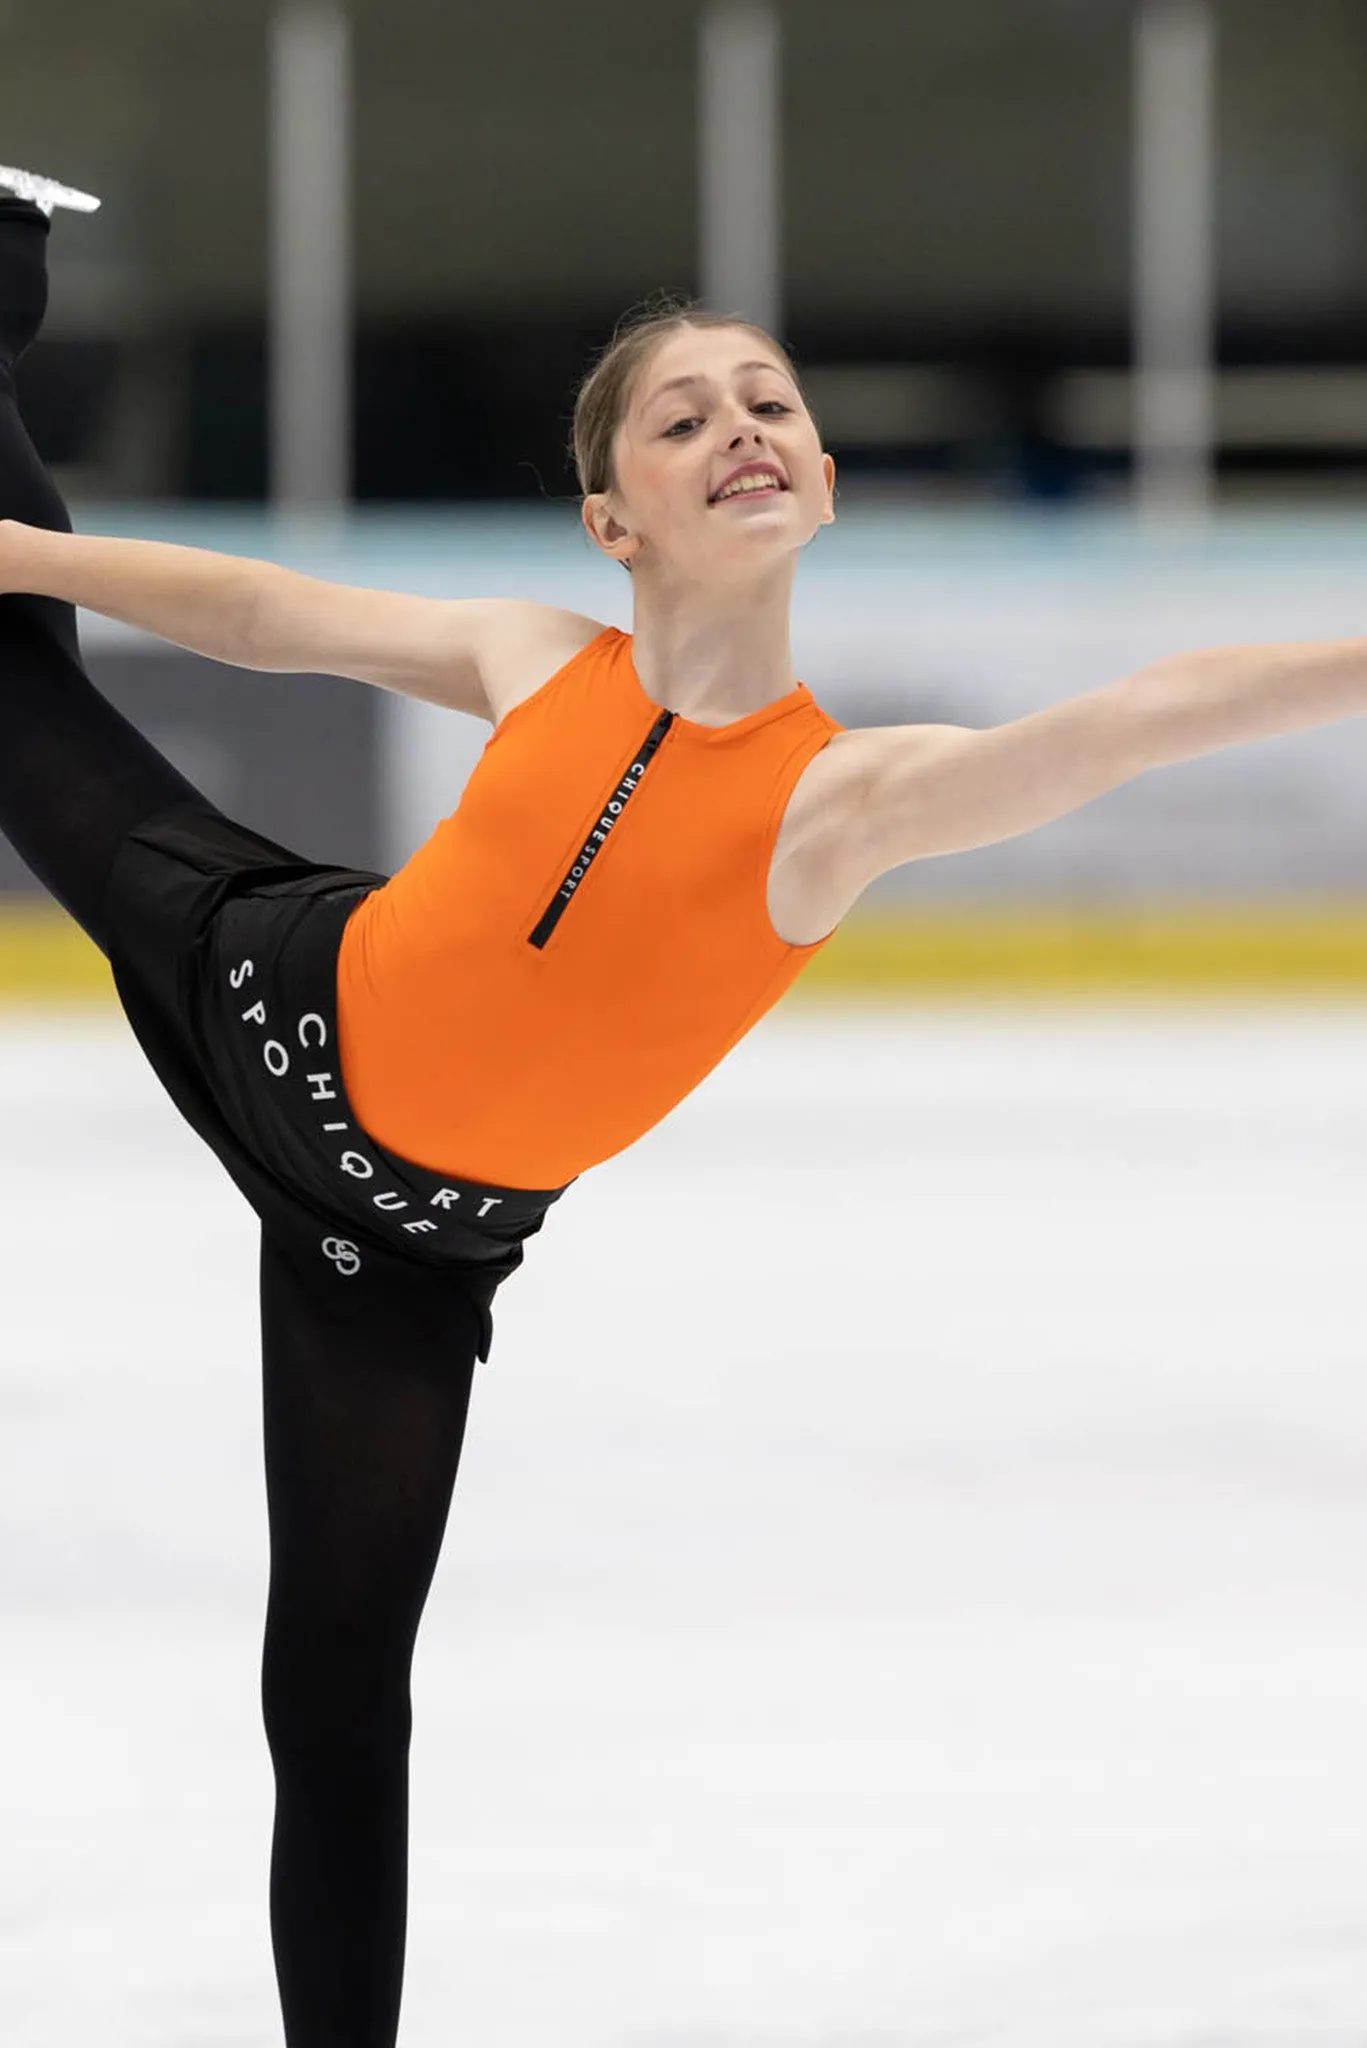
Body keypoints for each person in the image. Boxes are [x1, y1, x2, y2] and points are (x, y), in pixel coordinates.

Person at [4, 170, 1367, 2048]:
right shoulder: (530, 657)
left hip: (390, 1256)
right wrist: (27, 559)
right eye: (686, 415)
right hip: (267, 990)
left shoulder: (846, 801)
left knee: (332, 1691)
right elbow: (253, 607)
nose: (742, 427)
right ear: (612, 520)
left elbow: (1138, 716)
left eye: (772, 404)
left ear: (815, 478)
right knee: (19, 700)